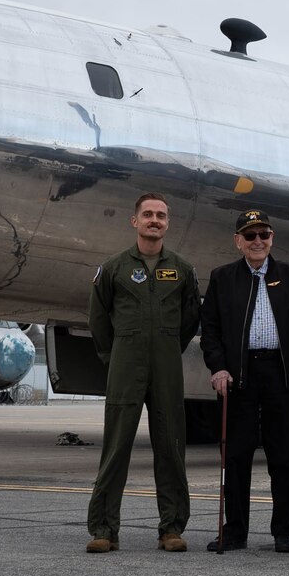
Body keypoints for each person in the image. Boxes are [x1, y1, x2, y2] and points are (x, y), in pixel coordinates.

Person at [200, 209, 289, 553]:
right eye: (249, 235)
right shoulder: (222, 278)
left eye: (263, 235)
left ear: (272, 238)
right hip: (239, 376)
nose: (257, 241)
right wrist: (218, 367)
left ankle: (284, 530)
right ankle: (235, 530)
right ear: (237, 241)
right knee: (236, 455)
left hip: (282, 376)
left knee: (283, 456)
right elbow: (209, 330)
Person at [85, 192, 201, 553]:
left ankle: (172, 528)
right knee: (116, 446)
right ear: (134, 221)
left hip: (166, 365)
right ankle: (104, 529)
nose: (154, 220)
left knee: (171, 446)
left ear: (167, 223)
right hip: (125, 363)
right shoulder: (114, 268)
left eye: (161, 216)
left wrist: (167, 347)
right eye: (148, 215)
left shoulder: (182, 269)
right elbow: (98, 318)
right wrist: (115, 353)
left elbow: (190, 318)